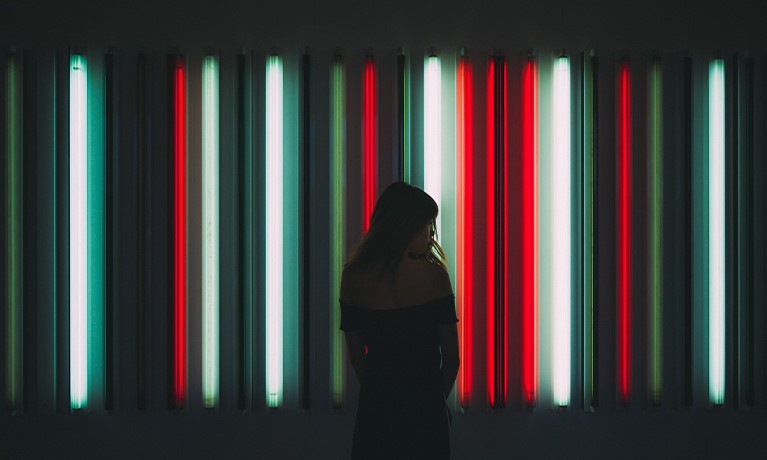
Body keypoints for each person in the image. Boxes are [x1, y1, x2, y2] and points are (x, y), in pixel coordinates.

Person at [340, 182, 460, 460]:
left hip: (377, 405)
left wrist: (380, 393)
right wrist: (433, 403)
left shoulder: (353, 277)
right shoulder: (434, 277)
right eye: (428, 223)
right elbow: (452, 359)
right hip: (426, 405)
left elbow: (357, 358)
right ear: (406, 226)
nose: (431, 233)